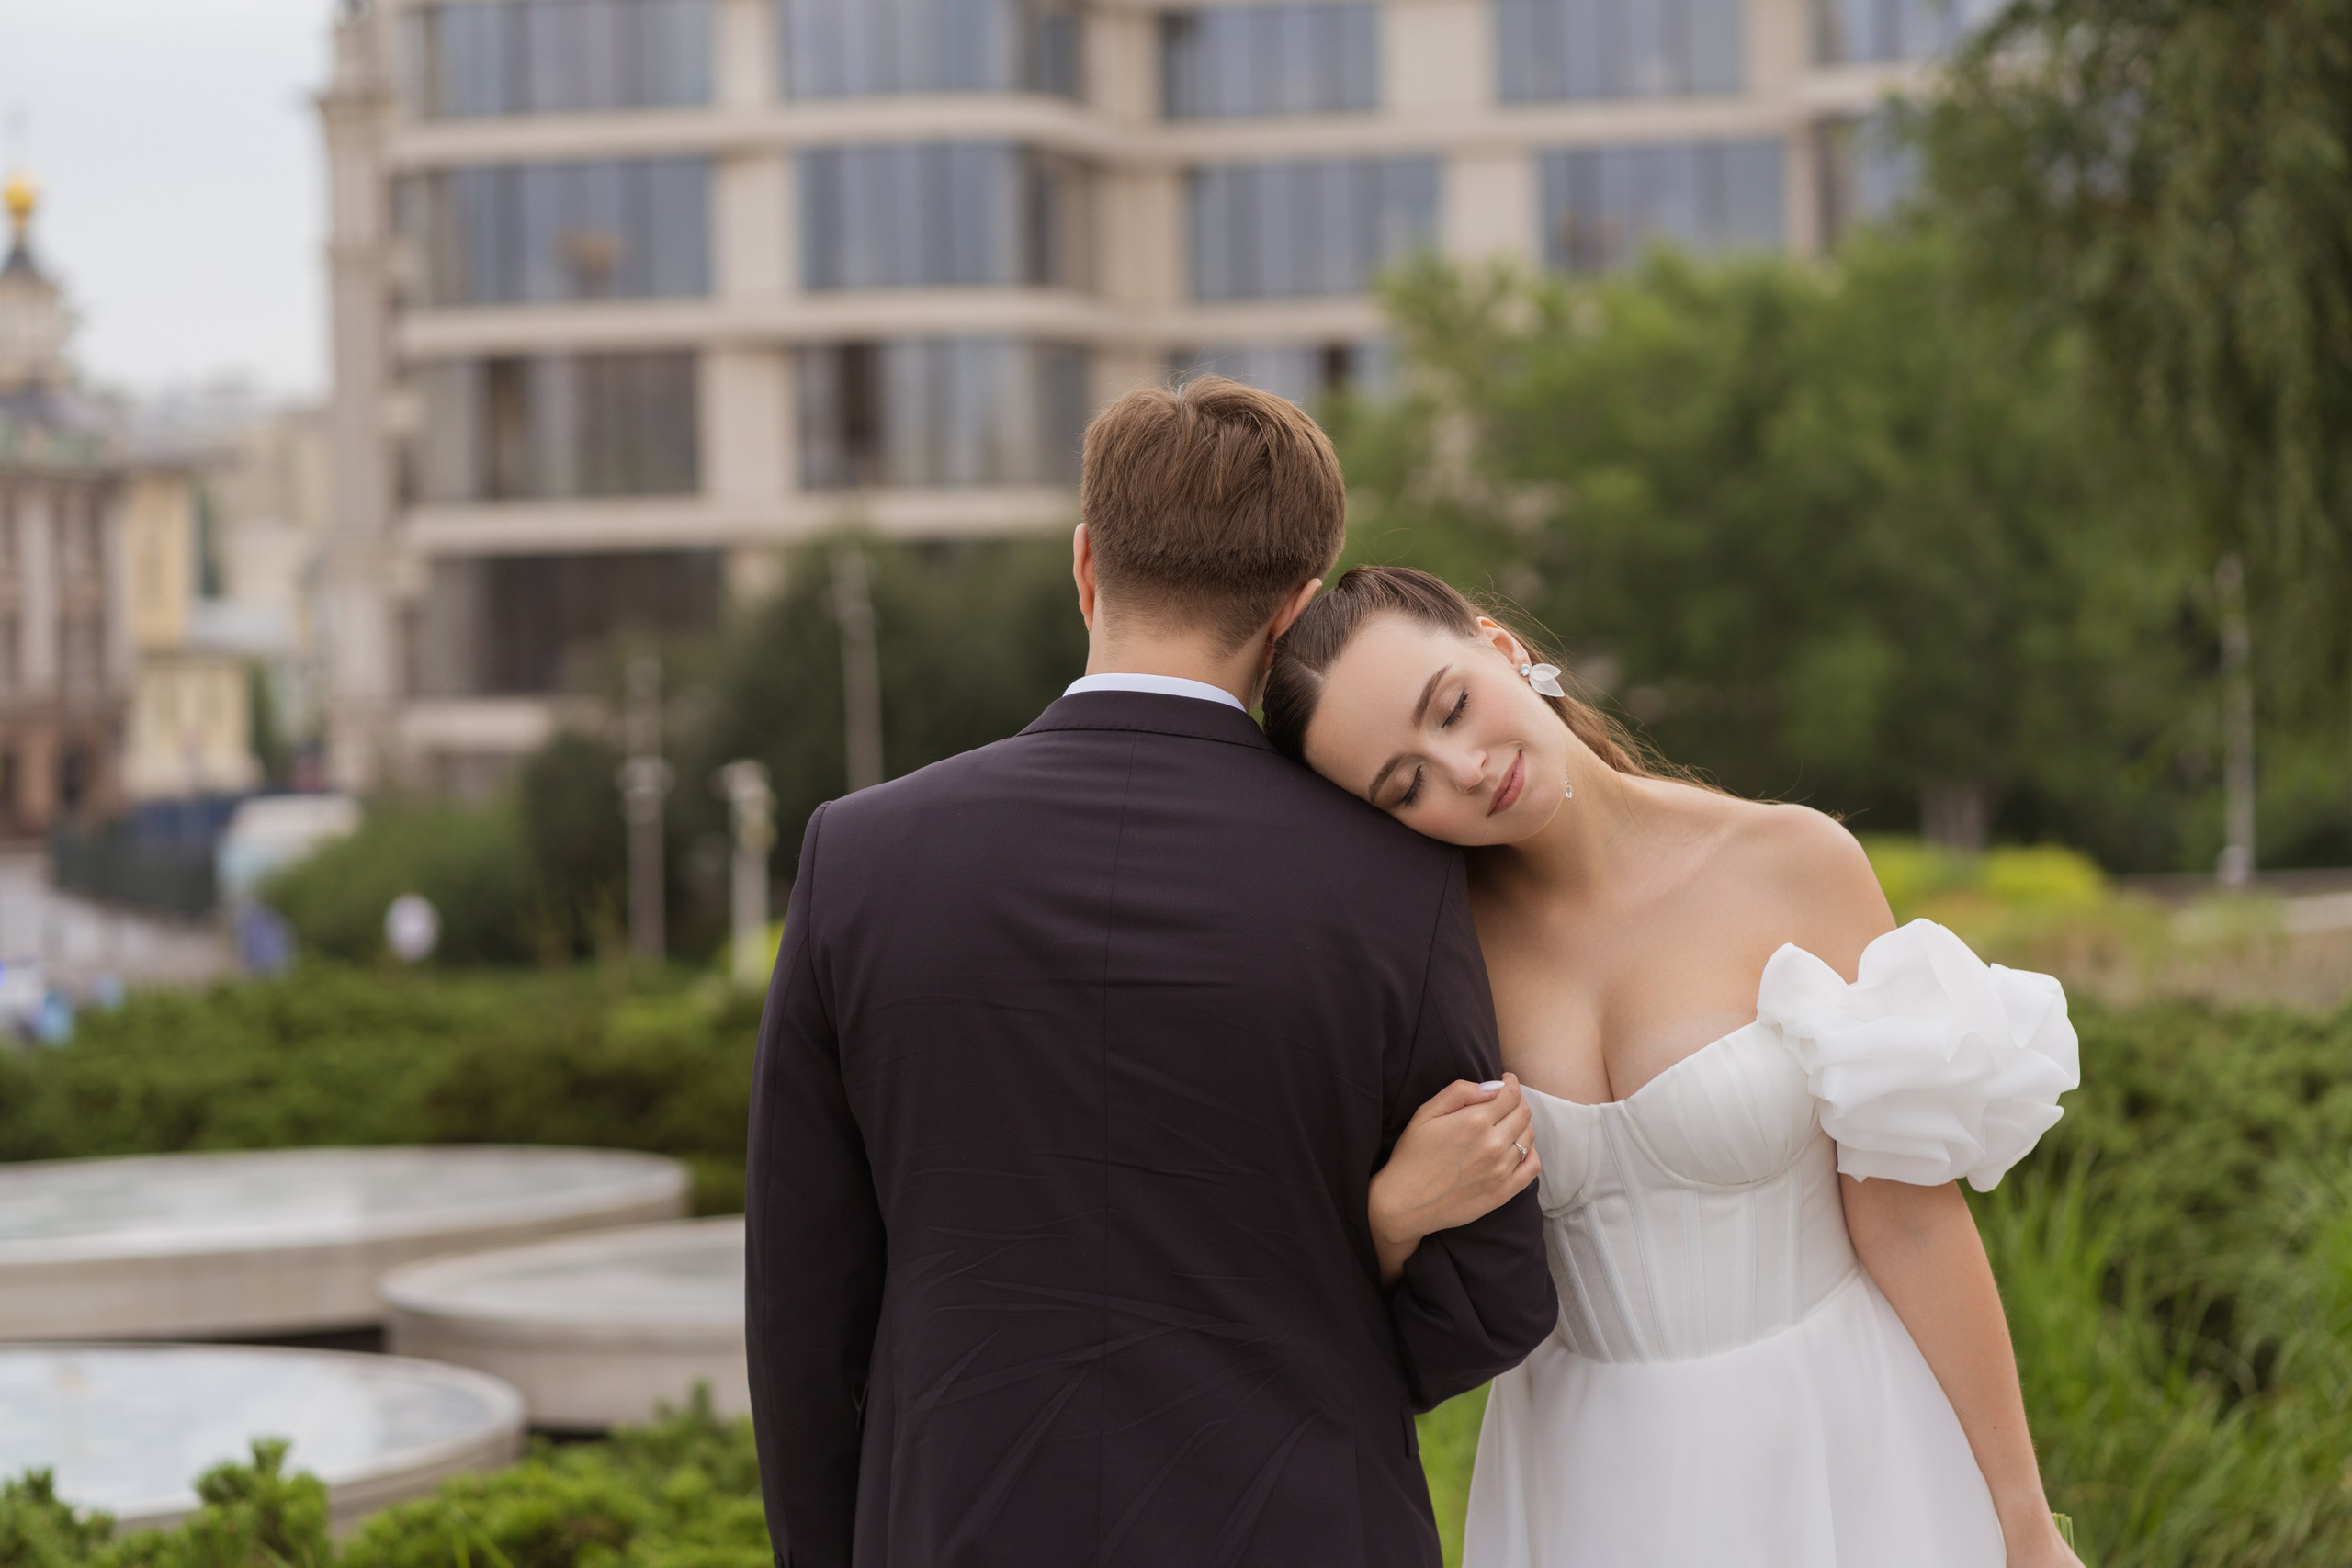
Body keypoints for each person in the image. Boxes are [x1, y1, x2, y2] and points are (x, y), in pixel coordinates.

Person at [743, 379, 1557, 1568]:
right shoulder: (1399, 877)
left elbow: (804, 1312)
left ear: (1086, 566)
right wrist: (1357, 1247)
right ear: (1296, 614)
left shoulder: (858, 855)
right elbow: (1493, 1296)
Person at [1264, 566, 2086, 1568]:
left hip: (1837, 1442)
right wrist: (1392, 1217)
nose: (1462, 768)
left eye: (1452, 706)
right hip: (1582, 1483)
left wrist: (2022, 1519)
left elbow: (1909, 1219)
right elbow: (1330, 1302)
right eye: (1406, 783)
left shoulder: (1790, 861)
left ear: (1500, 646)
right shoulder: (1430, 965)